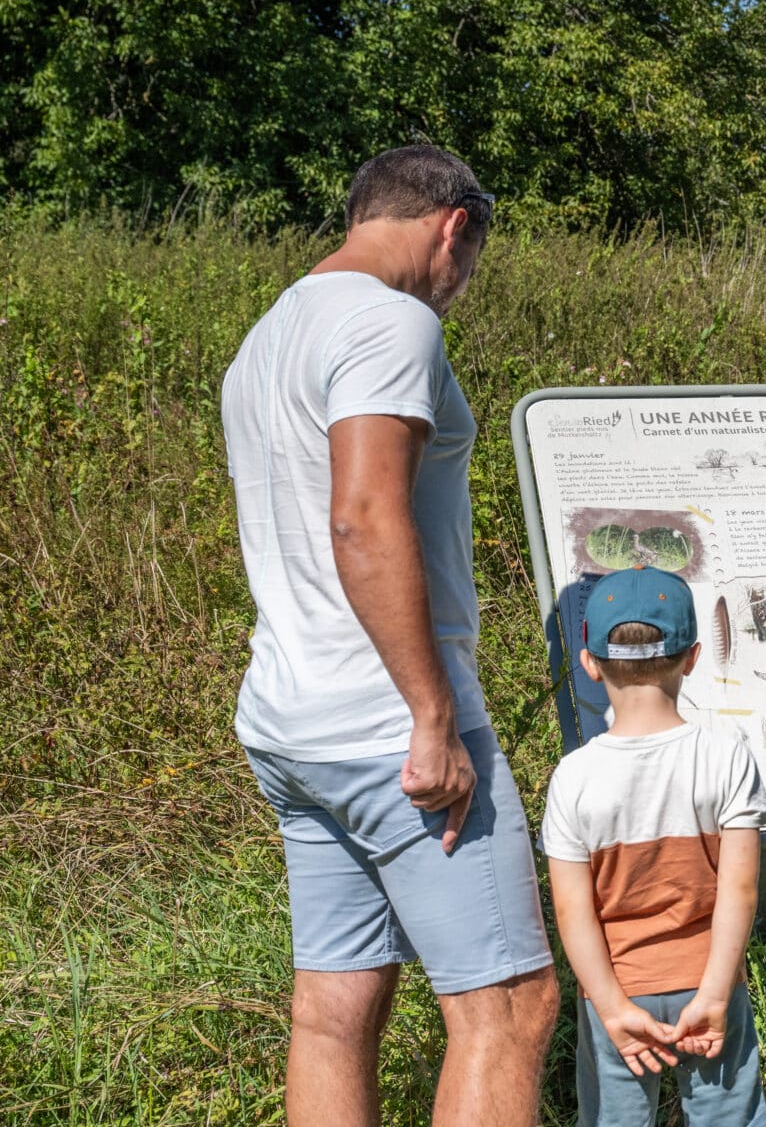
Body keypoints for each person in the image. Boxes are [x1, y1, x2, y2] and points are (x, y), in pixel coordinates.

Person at [221, 146, 557, 1127]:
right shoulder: (390, 320)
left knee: (334, 1009)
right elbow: (363, 518)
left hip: (292, 722)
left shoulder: (269, 333)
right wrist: (432, 714)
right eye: (472, 259)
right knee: (507, 1008)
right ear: (455, 226)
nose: (462, 286)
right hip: (389, 730)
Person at [542, 565, 766, 1127]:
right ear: (692, 658)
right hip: (710, 976)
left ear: (590, 663)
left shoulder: (573, 778)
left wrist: (611, 1007)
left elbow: (573, 912)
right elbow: (739, 890)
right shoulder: (726, 756)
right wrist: (715, 995)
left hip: (618, 986)